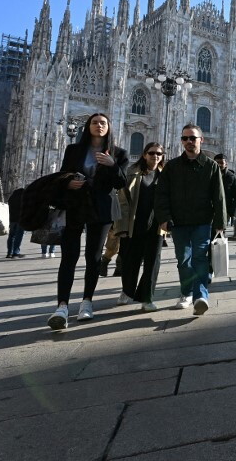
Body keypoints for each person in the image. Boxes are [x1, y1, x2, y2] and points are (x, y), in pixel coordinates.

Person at [47, 113, 128, 330]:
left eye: (103, 123)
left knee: (93, 257)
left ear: (109, 127)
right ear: (88, 126)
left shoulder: (118, 153)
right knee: (69, 256)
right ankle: (62, 306)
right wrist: (68, 183)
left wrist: (112, 165)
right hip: (75, 205)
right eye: (95, 122)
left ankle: (87, 302)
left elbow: (121, 182)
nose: (99, 126)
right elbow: (63, 174)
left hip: (101, 208)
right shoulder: (74, 150)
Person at [155, 124, 226, 315]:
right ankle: (186, 292)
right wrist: (164, 217)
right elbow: (161, 194)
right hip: (178, 222)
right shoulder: (172, 166)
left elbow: (219, 197)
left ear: (201, 140)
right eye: (185, 138)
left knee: (200, 259)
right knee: (183, 261)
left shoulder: (210, 165)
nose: (188, 142)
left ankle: (200, 296)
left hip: (202, 222)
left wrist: (220, 223)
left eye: (192, 138)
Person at [113, 142, 165, 312]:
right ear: (144, 154)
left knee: (152, 262)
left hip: (156, 225)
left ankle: (147, 297)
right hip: (133, 223)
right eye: (152, 153)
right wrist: (120, 225)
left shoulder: (165, 175)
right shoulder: (132, 172)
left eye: (159, 153)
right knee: (130, 260)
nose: (155, 156)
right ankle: (127, 291)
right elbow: (122, 199)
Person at [213, 153, 236, 236]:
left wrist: (231, 211)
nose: (219, 165)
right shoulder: (209, 175)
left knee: (218, 237)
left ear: (226, 163)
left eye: (221, 163)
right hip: (208, 210)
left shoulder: (231, 177)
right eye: (217, 163)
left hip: (223, 211)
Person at [6, 187, 26, 258]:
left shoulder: (12, 198)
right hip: (21, 219)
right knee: (19, 236)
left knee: (11, 236)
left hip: (12, 219)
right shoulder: (24, 198)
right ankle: (15, 252)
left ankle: (9, 253)